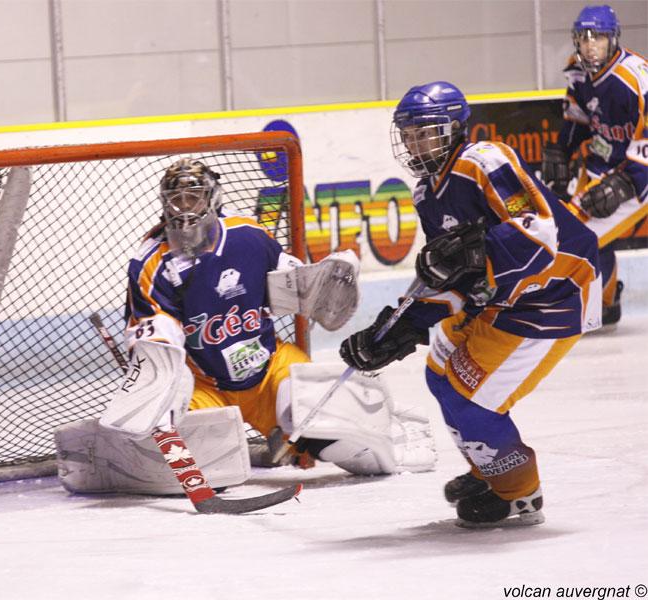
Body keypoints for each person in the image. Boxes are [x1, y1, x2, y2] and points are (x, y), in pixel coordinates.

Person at [341, 81, 602, 527]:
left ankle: (519, 495)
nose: (414, 143)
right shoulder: (427, 194)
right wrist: (396, 329)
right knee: (440, 372)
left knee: (470, 401)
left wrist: (477, 254)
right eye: (408, 134)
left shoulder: (485, 160)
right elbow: (448, 276)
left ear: (455, 128)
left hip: (551, 296)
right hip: (501, 299)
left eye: (425, 132)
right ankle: (489, 470)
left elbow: (537, 234)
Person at [115, 157, 435, 478]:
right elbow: (154, 339)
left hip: (270, 370)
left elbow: (291, 285)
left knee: (336, 437)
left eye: (193, 197)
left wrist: (317, 286)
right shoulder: (152, 264)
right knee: (192, 461)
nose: (184, 207)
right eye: (176, 198)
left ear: (212, 198)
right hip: (204, 386)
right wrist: (164, 380)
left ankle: (398, 434)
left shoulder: (248, 237)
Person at [541, 4, 648, 328]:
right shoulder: (578, 69)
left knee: (577, 235)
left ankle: (582, 314)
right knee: (588, 233)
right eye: (584, 38)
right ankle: (606, 303)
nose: (590, 45)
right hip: (602, 164)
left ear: (613, 40)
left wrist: (626, 184)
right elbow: (579, 118)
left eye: (598, 38)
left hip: (638, 172)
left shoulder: (634, 79)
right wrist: (563, 148)